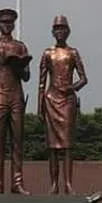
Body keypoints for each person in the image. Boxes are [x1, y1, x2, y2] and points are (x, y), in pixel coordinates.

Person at [38, 14, 88, 193]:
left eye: (63, 28)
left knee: (67, 146)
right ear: (52, 32)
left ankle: (68, 183)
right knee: (52, 147)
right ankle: (54, 184)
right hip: (51, 100)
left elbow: (84, 78)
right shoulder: (47, 53)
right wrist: (40, 106)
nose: (60, 31)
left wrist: (72, 87)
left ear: (68, 31)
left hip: (67, 101)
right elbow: (42, 81)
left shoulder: (73, 53)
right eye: (57, 28)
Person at [0, 5, 32, 194]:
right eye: (3, 22)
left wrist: (19, 66)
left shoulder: (20, 46)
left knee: (17, 141)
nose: (7, 25)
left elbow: (27, 76)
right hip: (0, 95)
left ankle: (17, 182)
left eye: (10, 22)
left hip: (16, 95)